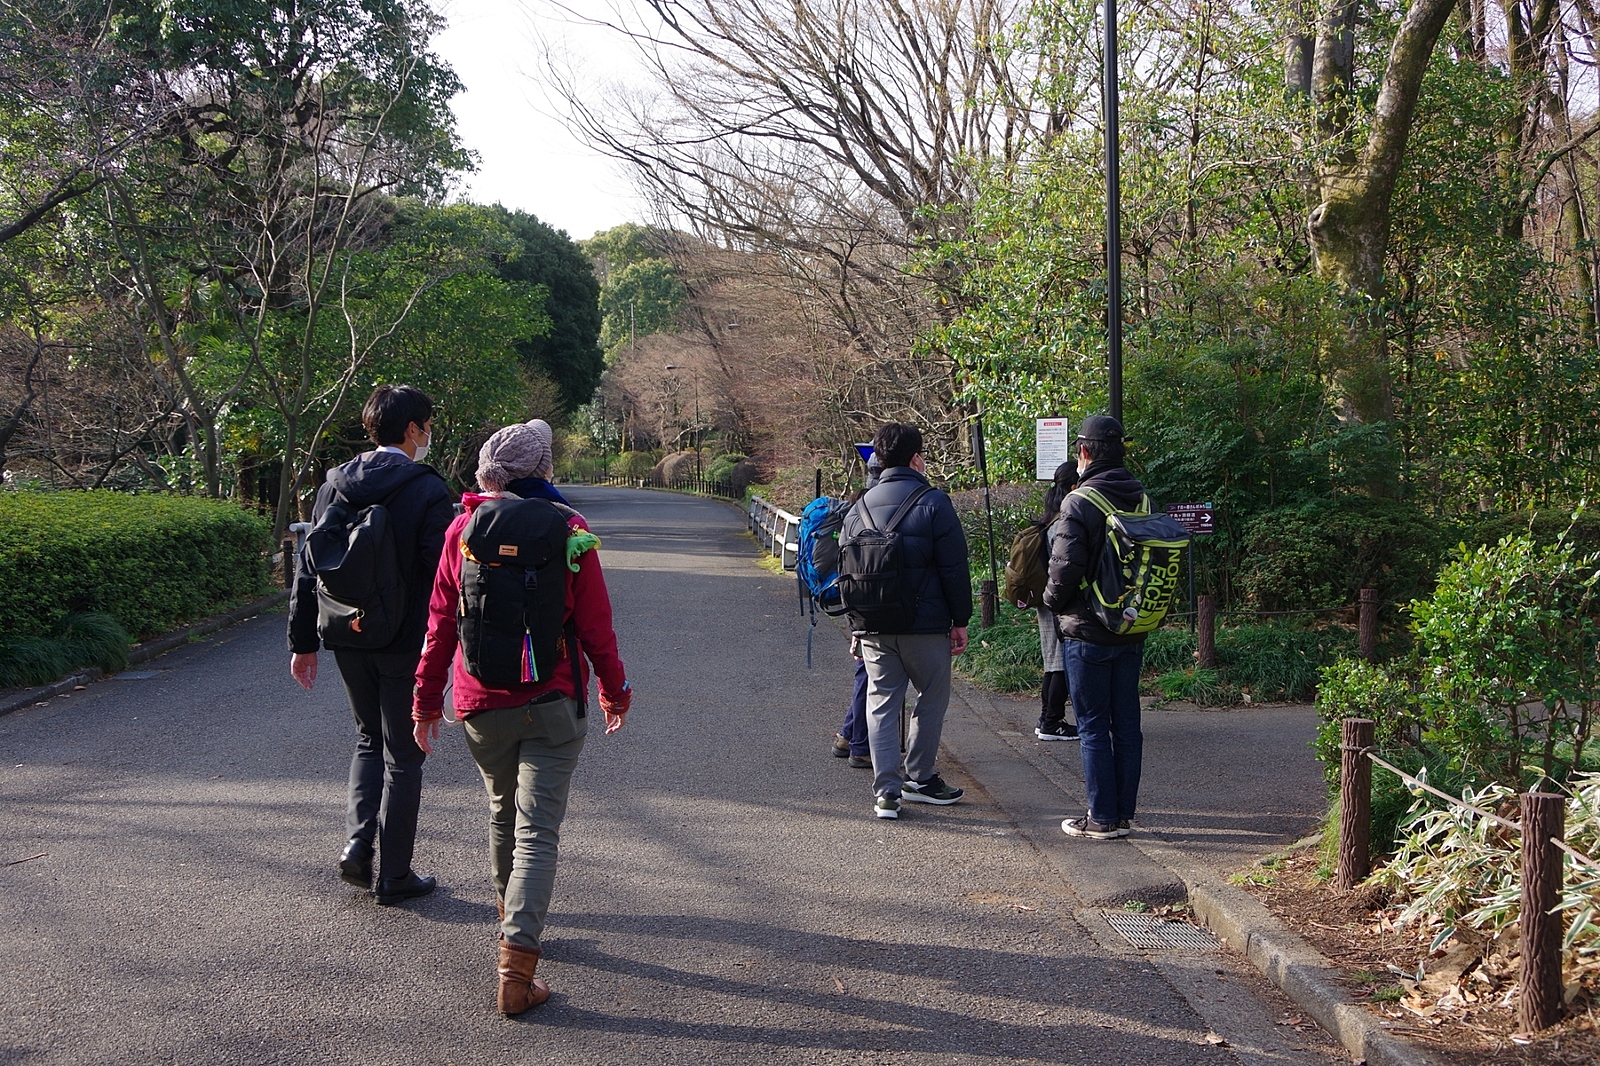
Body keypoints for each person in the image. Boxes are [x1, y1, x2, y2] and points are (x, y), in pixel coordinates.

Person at [411, 418, 631, 1016]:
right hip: (554, 701)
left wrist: (426, 704)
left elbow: (439, 626)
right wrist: (614, 690)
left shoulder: (463, 529)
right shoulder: (570, 530)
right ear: (543, 471)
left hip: (481, 703)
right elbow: (595, 627)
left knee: (503, 813)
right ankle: (516, 962)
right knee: (539, 829)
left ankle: (514, 923)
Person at [288, 384, 454, 904]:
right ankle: (396, 876)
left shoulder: (334, 484)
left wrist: (302, 641)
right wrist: (443, 651)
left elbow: (307, 566)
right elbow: (439, 580)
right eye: (425, 426)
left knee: (367, 739)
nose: (427, 434)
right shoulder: (428, 490)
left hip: (345, 633)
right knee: (404, 754)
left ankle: (359, 848)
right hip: (404, 640)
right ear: (411, 430)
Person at [839, 422, 972, 820]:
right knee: (931, 698)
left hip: (875, 626)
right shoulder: (934, 502)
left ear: (877, 458)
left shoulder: (857, 507)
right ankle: (921, 777)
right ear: (917, 458)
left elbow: (847, 574)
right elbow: (954, 568)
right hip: (925, 625)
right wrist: (959, 619)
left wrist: (855, 627)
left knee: (880, 702)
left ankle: (887, 794)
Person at [1042, 414, 1146, 840]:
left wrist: (1050, 602)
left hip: (1087, 629)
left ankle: (1100, 818)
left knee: (1091, 726)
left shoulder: (1079, 501)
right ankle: (1122, 814)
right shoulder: (1140, 497)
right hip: (1131, 624)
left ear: (1083, 452)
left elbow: (1064, 568)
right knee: (1126, 724)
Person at [830, 452, 884, 769]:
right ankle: (860, 746)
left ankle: (848, 736)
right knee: (870, 675)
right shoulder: (882, 507)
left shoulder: (856, 507)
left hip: (855, 599)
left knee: (866, 670)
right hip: (878, 601)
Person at [1035, 462, 1080, 741]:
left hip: (1046, 598)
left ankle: (1047, 720)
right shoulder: (1062, 522)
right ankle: (1051, 722)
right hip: (1056, 599)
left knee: (1053, 660)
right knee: (1058, 662)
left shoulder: (1050, 516)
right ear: (1074, 486)